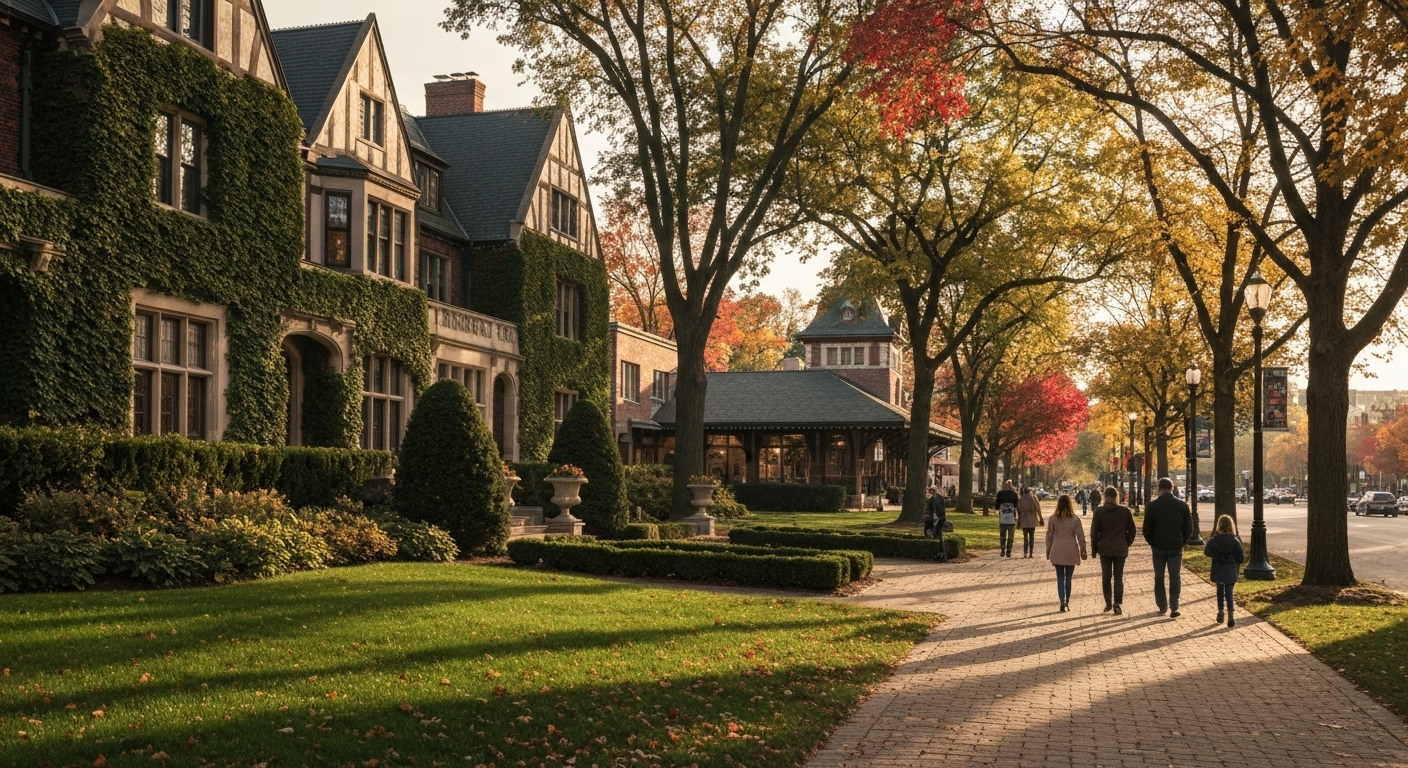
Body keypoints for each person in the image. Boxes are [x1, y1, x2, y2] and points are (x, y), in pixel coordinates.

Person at [1143, 477, 1193, 618]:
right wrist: (1181, 541)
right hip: (1175, 546)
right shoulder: (1182, 506)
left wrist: (1153, 542)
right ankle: (1174, 606)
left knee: (1159, 577)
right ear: (1173, 488)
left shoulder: (1152, 506)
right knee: (1175, 576)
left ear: (1158, 489)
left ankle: (1162, 605)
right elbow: (1189, 528)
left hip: (1158, 546)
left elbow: (1147, 528)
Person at [1089, 486, 1136, 615]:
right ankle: (1117, 603)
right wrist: (1126, 542)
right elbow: (1132, 530)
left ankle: (1108, 603)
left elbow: (1094, 532)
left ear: (1105, 496)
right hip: (1120, 548)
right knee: (1118, 577)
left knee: (1106, 577)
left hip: (1105, 549)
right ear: (1116, 496)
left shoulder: (1099, 512)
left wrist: (1094, 548)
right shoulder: (1124, 511)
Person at [1045, 494, 1087, 611]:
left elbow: (1049, 536)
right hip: (1070, 550)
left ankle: (1062, 601)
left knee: (1060, 577)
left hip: (1057, 549)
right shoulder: (1075, 519)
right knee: (1068, 577)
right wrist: (1083, 550)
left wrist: (1048, 551)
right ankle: (1067, 601)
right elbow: (1081, 536)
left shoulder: (1053, 519)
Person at [1204, 515, 1245, 628]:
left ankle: (1221, 611)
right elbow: (1241, 557)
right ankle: (1231, 614)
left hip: (1218, 569)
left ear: (1219, 526)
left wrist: (1216, 555)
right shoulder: (1234, 541)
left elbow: (1206, 552)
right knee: (1229, 592)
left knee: (1220, 591)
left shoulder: (1214, 540)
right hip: (1230, 569)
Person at [1017, 486, 1043, 558]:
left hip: (1024, 518)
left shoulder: (1021, 499)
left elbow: (1018, 510)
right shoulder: (1034, 497)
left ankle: (1025, 553)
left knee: (1025, 537)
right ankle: (1031, 553)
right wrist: (1041, 518)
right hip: (1032, 518)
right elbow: (1038, 508)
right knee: (1032, 536)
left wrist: (1019, 520)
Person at [995, 480, 1020, 557]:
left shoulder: (1000, 494)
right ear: (1011, 485)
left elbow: (996, 506)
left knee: (1002, 535)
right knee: (1010, 536)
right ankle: (1009, 551)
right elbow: (1017, 505)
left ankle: (1002, 550)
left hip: (1002, 518)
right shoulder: (1014, 494)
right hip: (1011, 518)